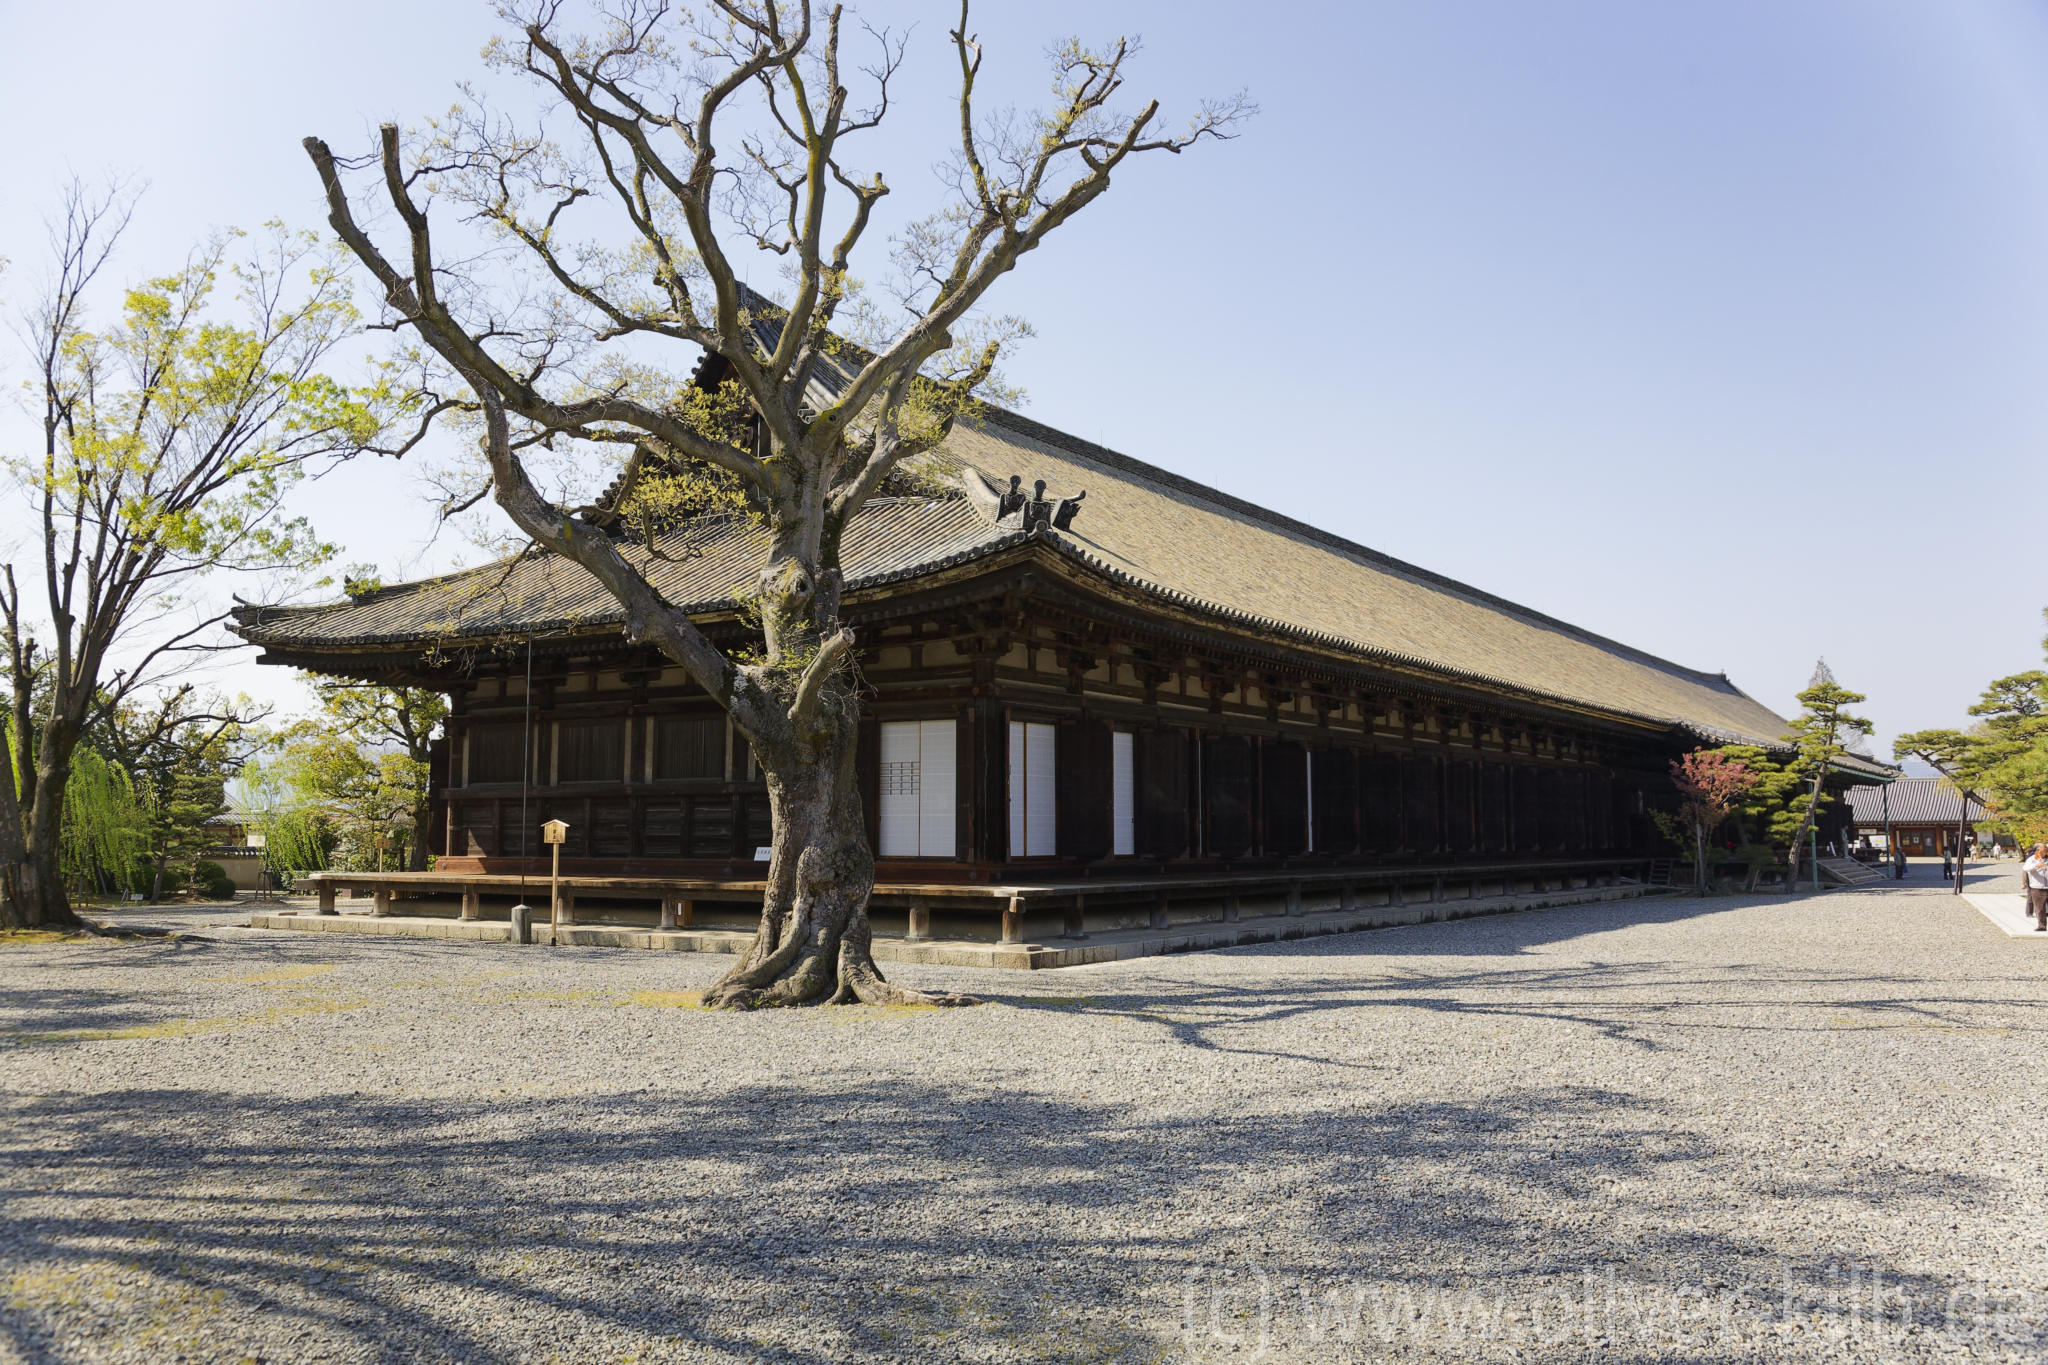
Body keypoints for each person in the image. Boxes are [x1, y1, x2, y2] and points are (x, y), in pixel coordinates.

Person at [2025, 845, 2048, 932]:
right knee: (2040, 908)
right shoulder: (2032, 859)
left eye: (2046, 851)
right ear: (2038, 851)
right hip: (2037, 887)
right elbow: (2026, 868)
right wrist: (2036, 866)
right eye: (2043, 851)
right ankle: (2042, 925)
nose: (2045, 853)